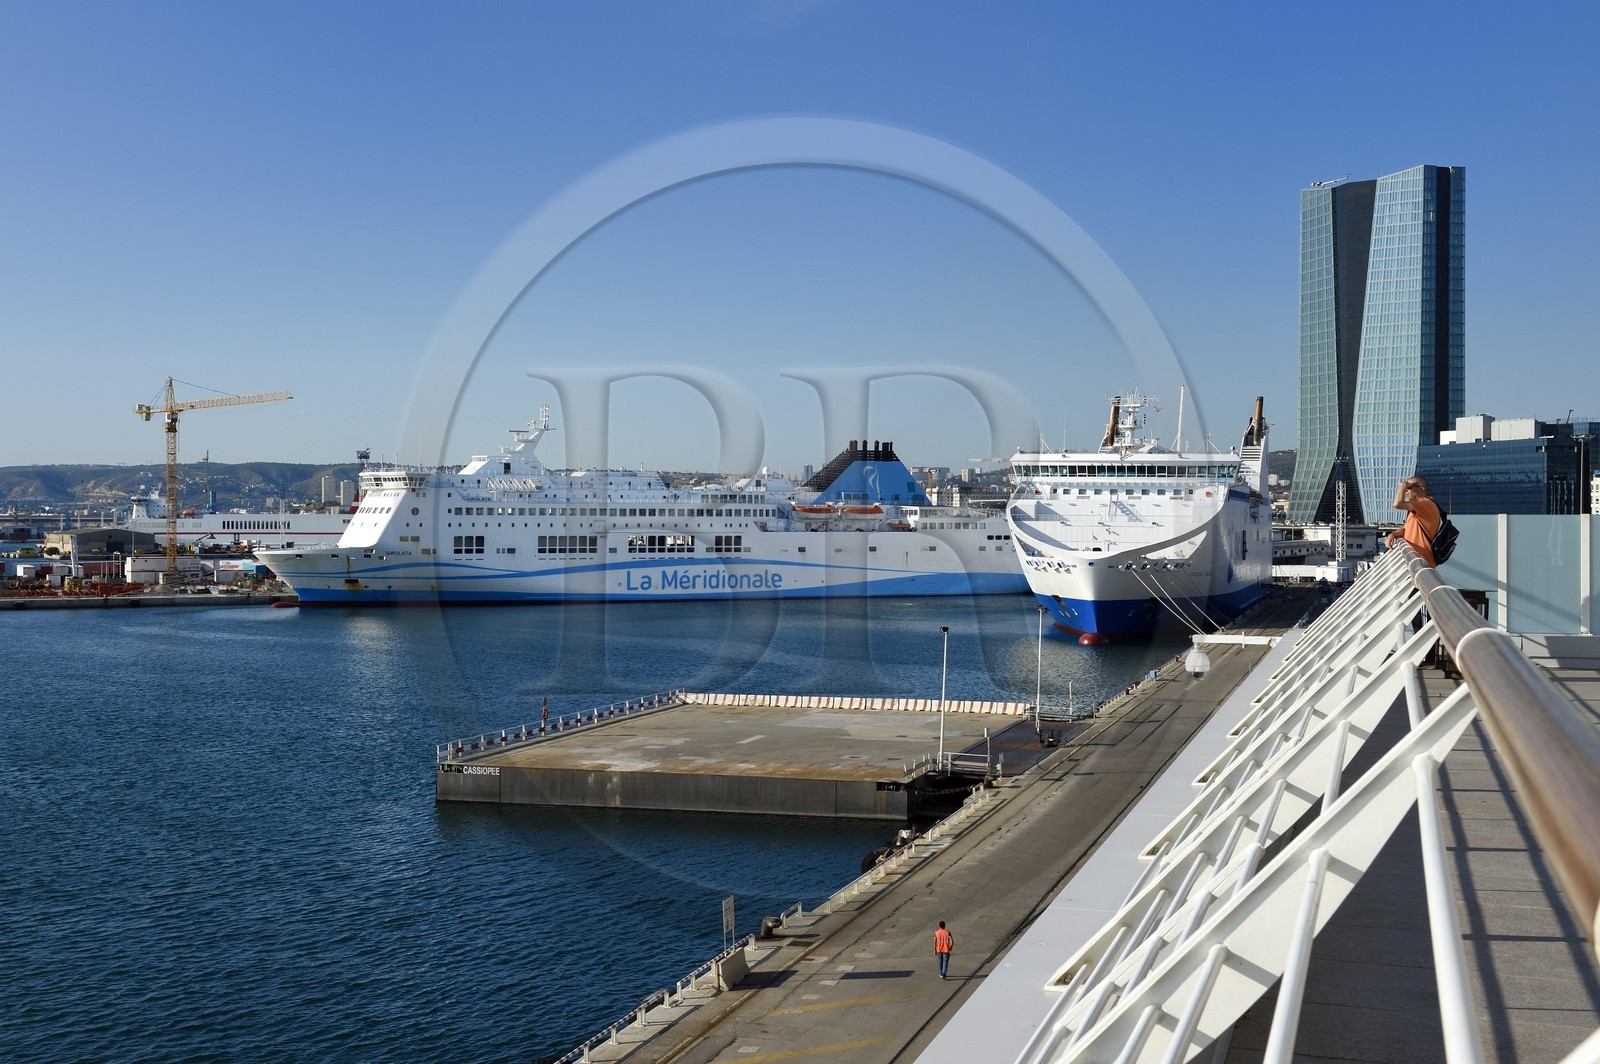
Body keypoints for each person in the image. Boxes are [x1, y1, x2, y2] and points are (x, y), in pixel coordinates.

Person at [1384, 474, 1442, 568]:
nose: (1406, 490)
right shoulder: (1416, 508)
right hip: (1416, 560)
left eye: (1409, 487)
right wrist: (1392, 535)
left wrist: (1402, 486)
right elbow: (1405, 529)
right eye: (1406, 487)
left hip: (1422, 561)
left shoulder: (1425, 503)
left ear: (1421, 489)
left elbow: (1397, 504)